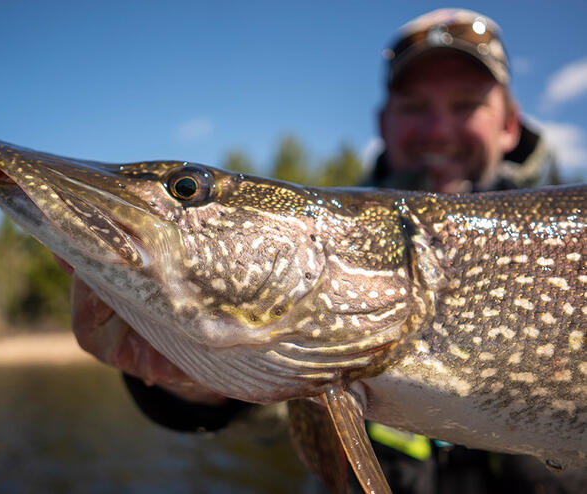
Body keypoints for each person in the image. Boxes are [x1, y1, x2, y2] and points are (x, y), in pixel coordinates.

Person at [59, 8, 577, 493]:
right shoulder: (328, 234)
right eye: (415, 107)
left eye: (466, 105)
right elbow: (269, 421)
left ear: (509, 124)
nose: (437, 130)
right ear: (384, 123)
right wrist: (194, 384)